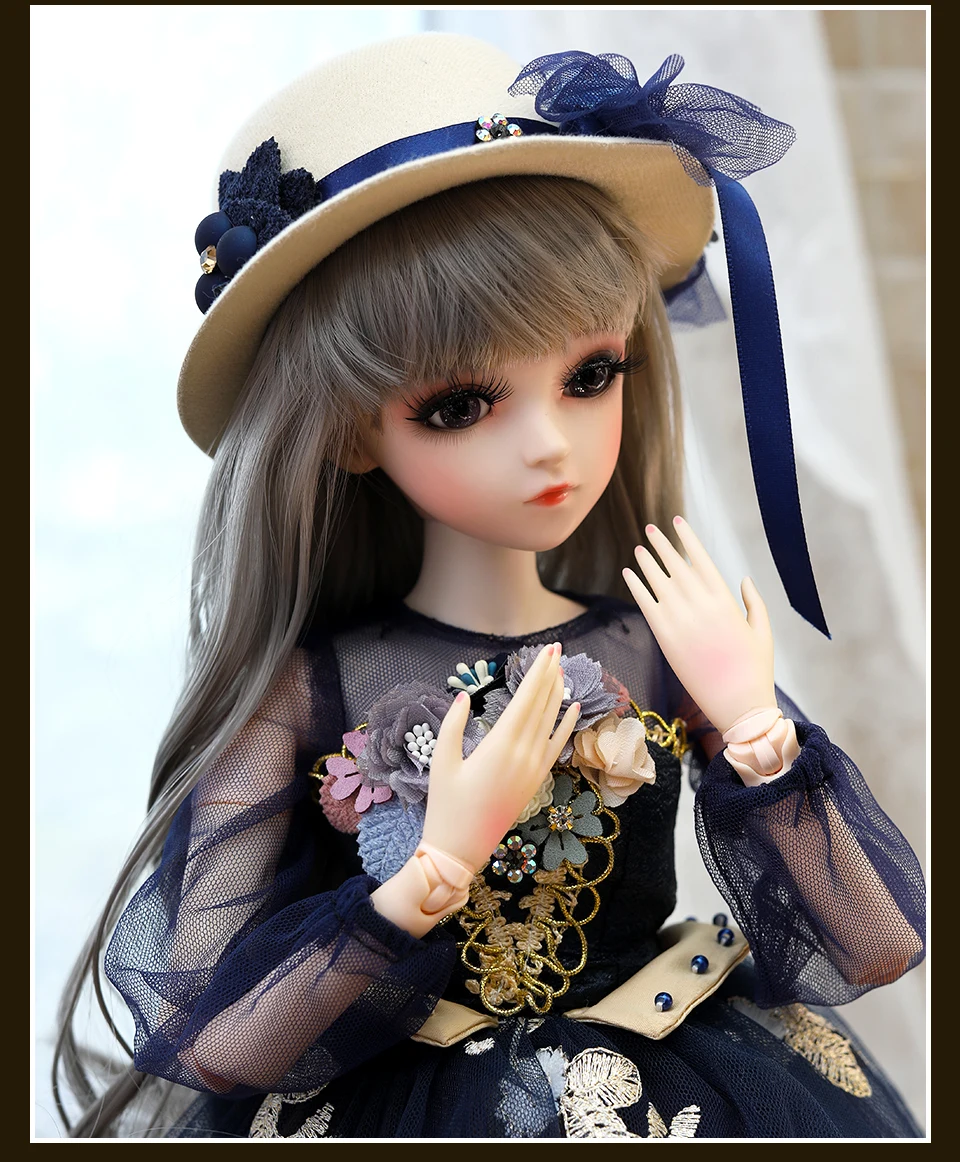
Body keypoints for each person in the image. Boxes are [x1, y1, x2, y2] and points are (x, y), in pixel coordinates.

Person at [53, 32, 926, 1139]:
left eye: (591, 375)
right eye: (460, 406)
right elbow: (213, 1037)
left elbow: (876, 941)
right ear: (351, 434)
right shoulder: (308, 687)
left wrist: (756, 733)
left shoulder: (657, 646)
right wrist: (430, 874)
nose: (550, 445)